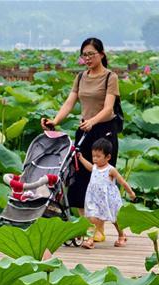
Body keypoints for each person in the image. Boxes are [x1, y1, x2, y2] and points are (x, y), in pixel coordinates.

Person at [41, 37, 120, 222]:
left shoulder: (111, 77)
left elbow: (109, 108)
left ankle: (101, 226)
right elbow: (70, 102)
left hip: (104, 133)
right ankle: (88, 225)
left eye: (91, 54)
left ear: (101, 54)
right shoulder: (80, 77)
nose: (87, 58)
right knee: (79, 178)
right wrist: (55, 120)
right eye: (84, 55)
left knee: (100, 180)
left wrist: (93, 121)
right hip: (85, 131)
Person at [77, 138, 135, 248]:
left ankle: (121, 235)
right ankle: (90, 240)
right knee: (92, 218)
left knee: (115, 219)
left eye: (98, 156)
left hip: (109, 200)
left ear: (108, 157)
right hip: (94, 199)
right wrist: (81, 158)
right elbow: (89, 167)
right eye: (93, 156)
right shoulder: (94, 167)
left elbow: (122, 182)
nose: (95, 159)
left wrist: (130, 192)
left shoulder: (110, 170)